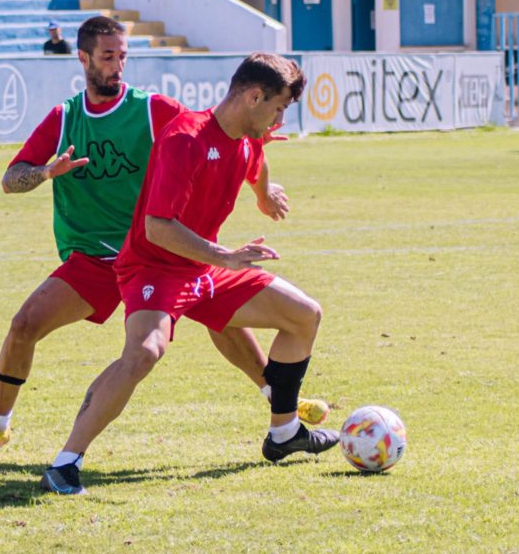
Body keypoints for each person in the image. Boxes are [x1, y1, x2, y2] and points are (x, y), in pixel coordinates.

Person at [0, 17, 328, 462]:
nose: (117, 66)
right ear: (82, 59)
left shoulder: (154, 110)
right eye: (107, 56)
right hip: (98, 258)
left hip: (167, 251)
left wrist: (263, 190)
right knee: (25, 326)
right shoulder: (65, 119)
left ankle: (279, 402)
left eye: (123, 56)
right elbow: (9, 180)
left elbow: (229, 134)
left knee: (223, 315)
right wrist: (45, 172)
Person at [40, 52, 340, 495]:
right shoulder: (186, 138)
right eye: (277, 107)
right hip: (155, 266)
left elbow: (256, 164)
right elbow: (156, 227)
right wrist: (223, 256)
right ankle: (65, 463)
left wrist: (263, 195)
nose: (279, 118)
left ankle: (284, 433)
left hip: (206, 266)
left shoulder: (247, 136)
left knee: (304, 315)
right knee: (143, 352)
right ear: (254, 96)